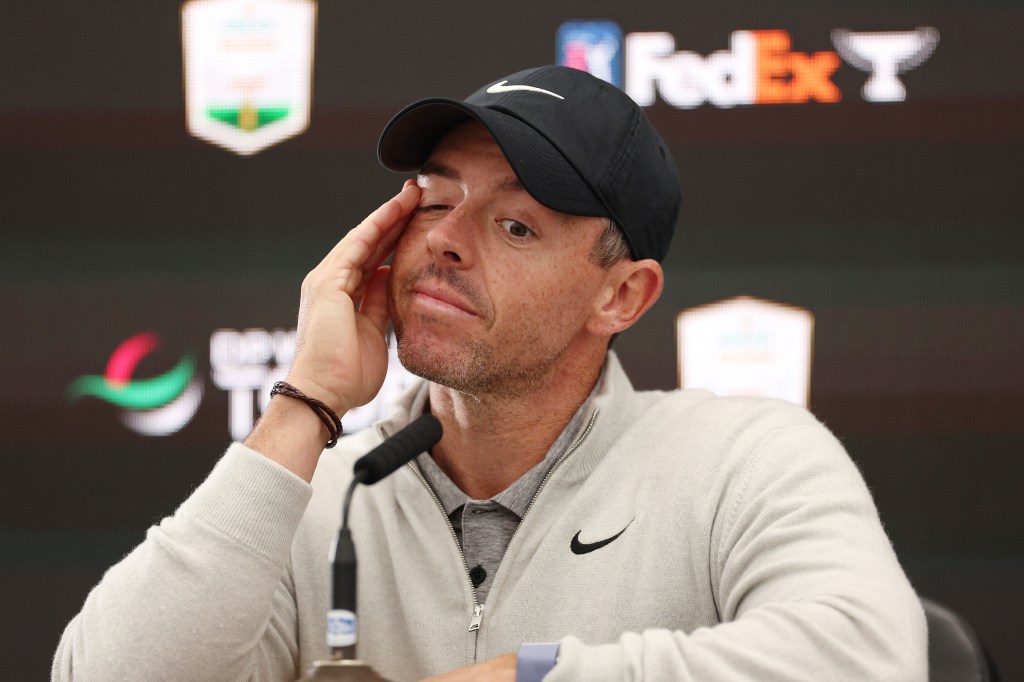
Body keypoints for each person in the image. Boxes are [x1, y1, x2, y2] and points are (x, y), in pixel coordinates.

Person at [53, 65, 927, 681]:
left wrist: (526, 678)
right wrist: (304, 406)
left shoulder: (740, 458)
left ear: (621, 295)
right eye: (434, 202)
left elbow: (870, 658)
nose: (442, 241)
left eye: (515, 227)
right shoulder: (316, 497)